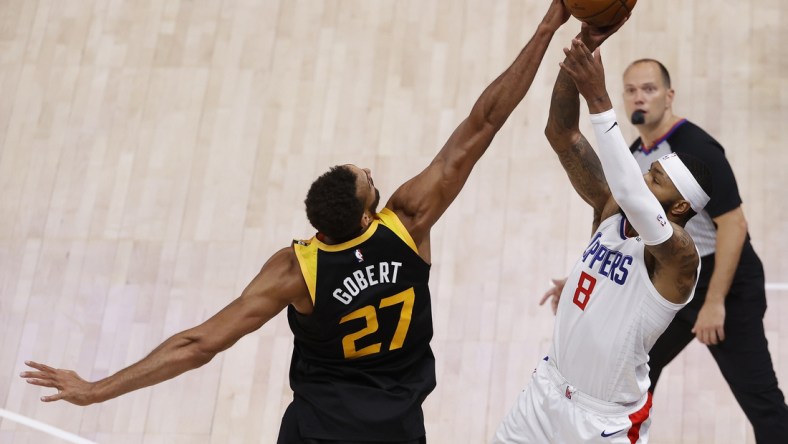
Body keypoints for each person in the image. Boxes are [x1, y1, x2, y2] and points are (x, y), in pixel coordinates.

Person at [19, 2, 571, 443]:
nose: (370, 170)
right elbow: (486, 120)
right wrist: (550, 21)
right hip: (399, 427)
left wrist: (96, 390)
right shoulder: (409, 221)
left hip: (319, 432)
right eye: (368, 179)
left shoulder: (297, 270)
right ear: (366, 213)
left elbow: (197, 344)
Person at [541, 58, 788, 442]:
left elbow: (735, 226)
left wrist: (715, 302)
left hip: (726, 284)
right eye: (631, 90)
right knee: (634, 373)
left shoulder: (698, 149)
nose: (639, 97)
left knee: (759, 397)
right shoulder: (639, 155)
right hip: (667, 285)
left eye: (649, 89)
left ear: (669, 97)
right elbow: (617, 227)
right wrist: (580, 277)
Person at [494, 31, 713, 443]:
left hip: (604, 422)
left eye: (657, 179)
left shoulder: (680, 259)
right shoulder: (613, 210)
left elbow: (632, 190)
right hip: (546, 392)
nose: (644, 175)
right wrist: (582, 48)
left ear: (680, 207)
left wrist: (599, 97)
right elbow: (561, 134)